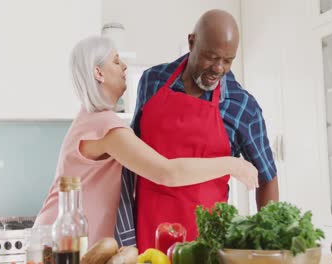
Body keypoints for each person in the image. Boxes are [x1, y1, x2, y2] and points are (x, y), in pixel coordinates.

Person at [34, 35, 259, 247]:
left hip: (67, 238)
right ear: (98, 73)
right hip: (60, 243)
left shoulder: (91, 119)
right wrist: (234, 165)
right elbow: (166, 172)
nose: (124, 67)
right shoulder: (104, 126)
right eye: (116, 61)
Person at [115, 9, 279, 250]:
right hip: (147, 236)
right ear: (191, 42)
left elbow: (267, 177)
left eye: (228, 60)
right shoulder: (152, 81)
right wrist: (125, 235)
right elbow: (133, 157)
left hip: (205, 244)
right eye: (211, 57)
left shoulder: (242, 106)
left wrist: (269, 242)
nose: (219, 68)